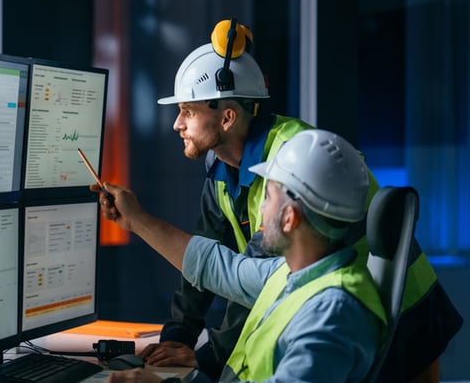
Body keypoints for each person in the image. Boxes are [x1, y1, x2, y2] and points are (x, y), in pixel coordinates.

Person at [142, 18, 462, 382]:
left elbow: (256, 283)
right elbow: (212, 258)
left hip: (397, 307)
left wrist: (207, 358)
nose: (176, 124)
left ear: (227, 116)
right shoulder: (222, 165)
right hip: (335, 304)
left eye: (188, 111)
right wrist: (178, 337)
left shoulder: (293, 162)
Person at [98, 129, 387, 383]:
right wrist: (136, 220)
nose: (261, 210)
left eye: (269, 198)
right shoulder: (292, 275)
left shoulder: (332, 314)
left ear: (290, 219)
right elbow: (216, 267)